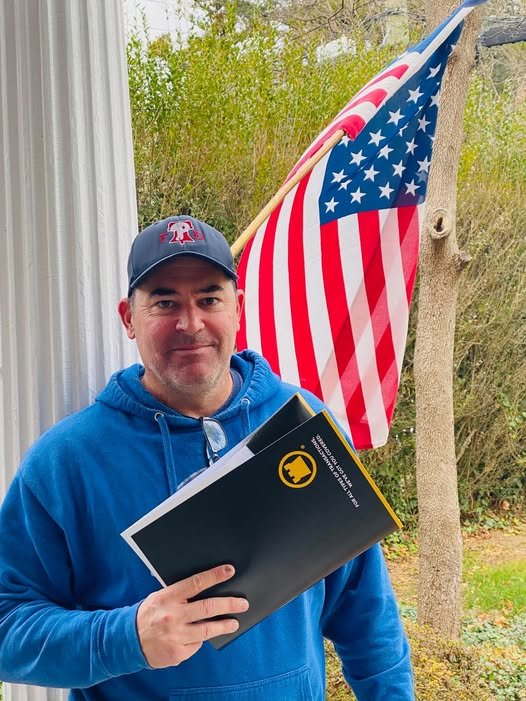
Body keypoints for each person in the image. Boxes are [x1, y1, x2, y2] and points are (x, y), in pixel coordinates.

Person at [0, 215, 414, 700]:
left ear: (238, 309)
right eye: (165, 302)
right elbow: (8, 625)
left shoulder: (304, 426)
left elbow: (366, 610)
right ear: (128, 318)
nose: (191, 323)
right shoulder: (67, 460)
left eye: (209, 299)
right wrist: (126, 637)